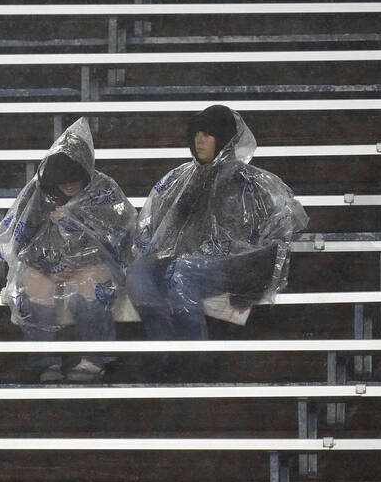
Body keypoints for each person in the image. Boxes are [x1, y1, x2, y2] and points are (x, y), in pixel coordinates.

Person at [126, 105, 309, 347]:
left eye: (207, 135)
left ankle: (194, 357)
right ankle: (166, 346)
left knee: (182, 272)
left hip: (233, 266)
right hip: (185, 262)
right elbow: (158, 232)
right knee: (138, 272)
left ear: (222, 138)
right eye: (196, 134)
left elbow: (279, 229)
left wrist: (248, 276)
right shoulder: (179, 180)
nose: (199, 141)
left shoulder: (252, 182)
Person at [0, 118, 134, 383]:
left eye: (74, 181)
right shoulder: (38, 194)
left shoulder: (103, 191)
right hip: (46, 264)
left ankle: (95, 358)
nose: (68, 187)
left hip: (93, 263)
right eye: (63, 183)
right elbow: (21, 240)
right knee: (31, 288)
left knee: (89, 288)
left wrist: (78, 234)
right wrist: (48, 266)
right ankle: (46, 361)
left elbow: (119, 237)